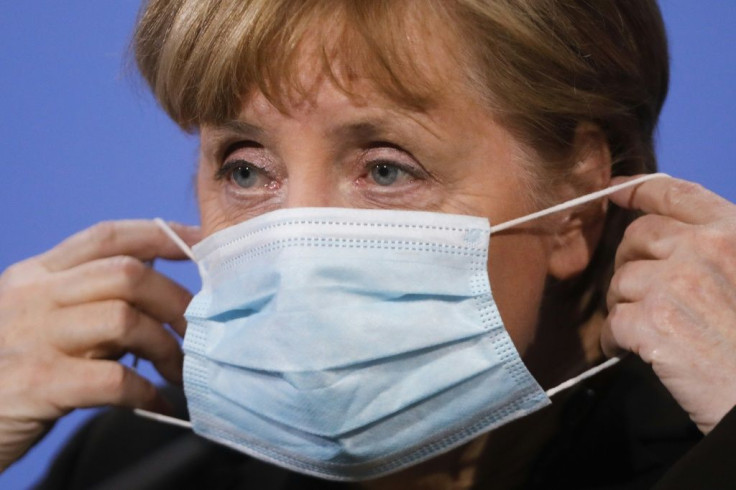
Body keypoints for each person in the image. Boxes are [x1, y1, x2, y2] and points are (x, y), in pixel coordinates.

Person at [1, 0, 735, 488]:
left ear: (575, 202)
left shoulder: (699, 446)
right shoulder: (132, 466)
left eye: (386, 168)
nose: (299, 245)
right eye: (247, 168)